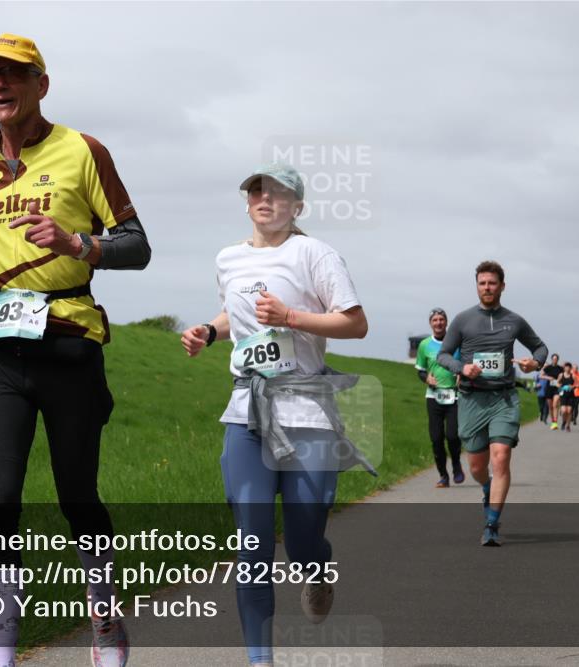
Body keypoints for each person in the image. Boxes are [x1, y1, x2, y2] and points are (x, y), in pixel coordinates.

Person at [0, 33, 150, 667]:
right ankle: (0, 659)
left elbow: (137, 245)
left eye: (12, 75)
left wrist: (78, 244)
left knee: (77, 496)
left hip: (70, 346)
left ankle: (106, 627)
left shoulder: (84, 150)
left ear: (40, 85)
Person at [180, 163, 371, 667]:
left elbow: (355, 323)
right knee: (253, 546)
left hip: (306, 411)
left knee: (305, 537)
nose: (265, 199)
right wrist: (207, 329)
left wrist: (291, 316)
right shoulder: (228, 258)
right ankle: (260, 660)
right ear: (246, 203)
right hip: (247, 411)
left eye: (277, 193)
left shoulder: (315, 253)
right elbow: (234, 316)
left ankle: (318, 567)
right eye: (256, 191)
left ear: (297, 207)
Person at [436, 261, 547, 547]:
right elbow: (443, 356)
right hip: (473, 398)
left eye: (492, 283)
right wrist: (462, 368)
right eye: (482, 283)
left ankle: (491, 524)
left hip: (503, 397)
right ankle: (486, 487)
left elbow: (540, 347)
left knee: (501, 456)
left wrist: (534, 362)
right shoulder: (462, 320)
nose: (487, 287)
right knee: (476, 466)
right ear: (477, 286)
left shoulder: (514, 320)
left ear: (502, 286)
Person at [415, 308, 464, 487]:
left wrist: (461, 375)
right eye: (435, 320)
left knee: (452, 436)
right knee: (436, 438)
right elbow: (420, 370)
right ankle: (443, 475)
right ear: (430, 323)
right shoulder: (424, 345)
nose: (438, 323)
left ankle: (457, 464)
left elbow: (465, 364)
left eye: (441, 319)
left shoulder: (456, 343)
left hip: (454, 396)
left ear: (446, 322)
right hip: (433, 396)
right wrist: (426, 378)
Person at [540, 353, 563, 431]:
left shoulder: (560, 368)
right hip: (549, 388)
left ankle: (555, 422)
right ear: (551, 359)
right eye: (553, 359)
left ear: (558, 360)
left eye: (556, 359)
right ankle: (553, 421)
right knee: (550, 407)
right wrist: (548, 377)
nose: (555, 360)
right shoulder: (548, 367)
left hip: (557, 388)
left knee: (555, 405)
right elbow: (541, 375)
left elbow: (562, 375)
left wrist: (560, 378)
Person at [556, 363, 576, 431]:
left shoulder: (572, 375)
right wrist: (561, 387)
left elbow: (577, 383)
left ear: (570, 368)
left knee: (569, 411)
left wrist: (572, 386)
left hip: (571, 395)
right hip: (563, 394)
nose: (567, 369)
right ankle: (564, 422)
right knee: (564, 411)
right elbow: (557, 383)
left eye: (568, 367)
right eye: (566, 367)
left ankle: (568, 425)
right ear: (564, 368)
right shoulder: (561, 375)